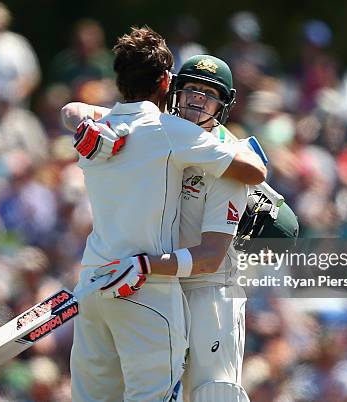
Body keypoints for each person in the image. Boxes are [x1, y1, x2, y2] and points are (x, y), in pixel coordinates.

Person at [65, 54, 298, 401]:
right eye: (191, 89)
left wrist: (145, 265)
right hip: (159, 287)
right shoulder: (162, 132)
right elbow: (74, 108)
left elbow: (211, 258)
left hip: (208, 290)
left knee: (211, 394)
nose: (197, 100)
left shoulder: (227, 159)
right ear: (174, 89)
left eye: (209, 94)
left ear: (224, 104)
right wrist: (85, 125)